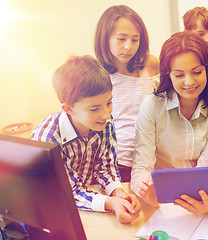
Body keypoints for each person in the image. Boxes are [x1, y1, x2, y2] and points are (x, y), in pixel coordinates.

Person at [31, 55, 141, 224]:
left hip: (90, 204)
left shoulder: (104, 122)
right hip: (53, 211)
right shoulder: (48, 139)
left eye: (109, 102)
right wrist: (111, 203)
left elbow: (106, 167)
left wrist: (118, 193)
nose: (105, 113)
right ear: (69, 109)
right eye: (94, 108)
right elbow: (68, 192)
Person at [131, 31, 208, 214]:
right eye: (179, 75)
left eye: (197, 72)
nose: (189, 82)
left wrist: (205, 200)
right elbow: (141, 166)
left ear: (207, 70)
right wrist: (144, 187)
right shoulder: (152, 106)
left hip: (200, 198)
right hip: (160, 201)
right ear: (168, 75)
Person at [94, 5, 160, 182]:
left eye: (135, 40)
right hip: (114, 162)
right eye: (121, 39)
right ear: (105, 38)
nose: (128, 47)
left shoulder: (150, 65)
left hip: (151, 160)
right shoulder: (97, 74)